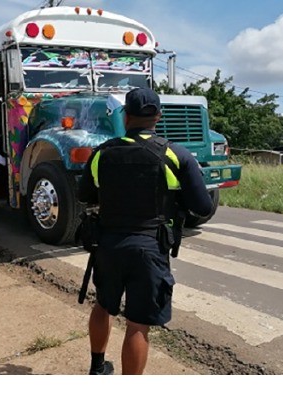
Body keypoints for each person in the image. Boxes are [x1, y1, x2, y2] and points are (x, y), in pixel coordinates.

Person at [78, 88, 213, 375]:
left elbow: (84, 194)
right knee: (138, 324)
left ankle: (97, 368)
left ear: (126, 117)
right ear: (158, 117)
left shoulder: (102, 153)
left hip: (109, 245)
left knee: (104, 305)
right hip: (149, 248)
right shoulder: (176, 155)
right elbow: (202, 207)